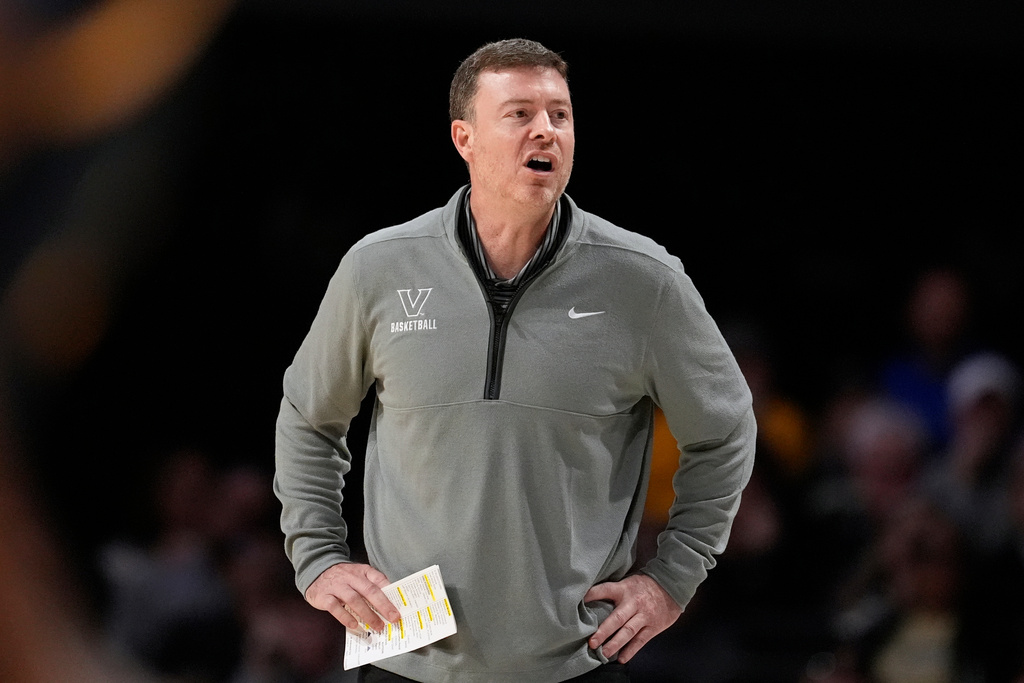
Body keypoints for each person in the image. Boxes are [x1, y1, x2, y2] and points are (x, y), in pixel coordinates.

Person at [274, 38, 756, 683]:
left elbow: (725, 430)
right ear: (463, 138)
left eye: (560, 114)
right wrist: (319, 560)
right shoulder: (378, 269)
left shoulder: (645, 282)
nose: (546, 131)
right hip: (406, 660)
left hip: (576, 664)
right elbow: (309, 419)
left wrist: (673, 575)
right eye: (520, 113)